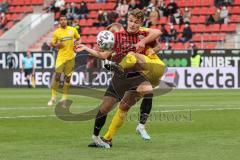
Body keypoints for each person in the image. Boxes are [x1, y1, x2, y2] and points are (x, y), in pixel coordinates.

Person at [76, 9, 165, 148]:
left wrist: (145, 43)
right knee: (105, 108)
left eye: (136, 22)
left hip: (137, 75)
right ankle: (97, 137)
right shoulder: (117, 36)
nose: (132, 24)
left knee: (148, 91)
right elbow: (104, 55)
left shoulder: (143, 34)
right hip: (120, 77)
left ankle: (141, 126)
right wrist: (86, 48)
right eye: (130, 21)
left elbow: (158, 36)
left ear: (140, 23)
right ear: (127, 20)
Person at [47, 15, 80, 106]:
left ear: (67, 21)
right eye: (61, 20)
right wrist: (57, 44)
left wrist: (76, 45)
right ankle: (53, 98)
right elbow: (52, 44)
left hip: (70, 57)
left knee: (68, 78)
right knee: (57, 76)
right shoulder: (56, 32)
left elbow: (78, 38)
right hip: (61, 58)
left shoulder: (72, 30)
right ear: (59, 22)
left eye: (64, 19)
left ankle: (64, 98)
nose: (63, 21)